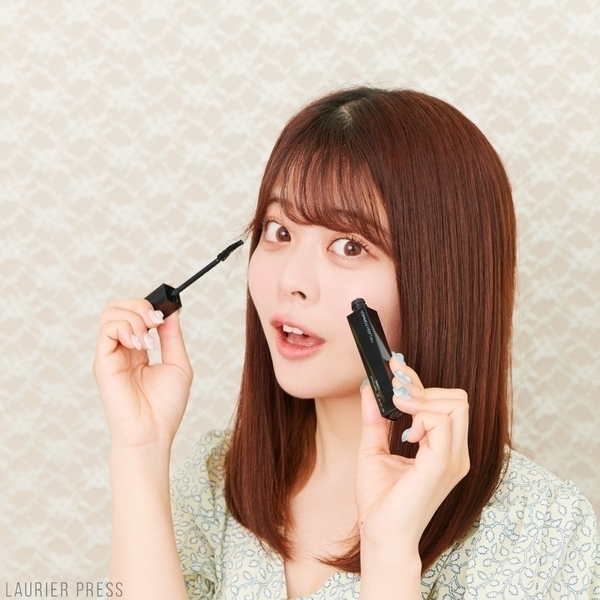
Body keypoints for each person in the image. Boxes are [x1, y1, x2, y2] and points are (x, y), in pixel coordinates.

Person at [93, 87, 600, 600]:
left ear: (442, 280)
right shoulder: (216, 479)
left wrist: (389, 552)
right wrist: (140, 448)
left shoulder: (542, 531)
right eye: (279, 231)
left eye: (350, 245)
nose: (292, 280)